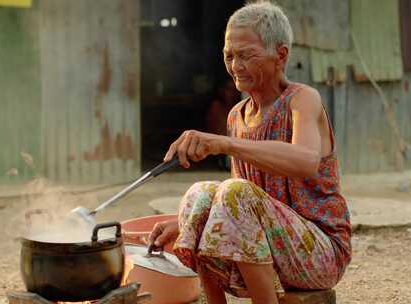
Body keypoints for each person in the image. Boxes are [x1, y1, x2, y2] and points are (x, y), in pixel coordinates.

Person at [148, 2, 351, 304]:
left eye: (246, 55)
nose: (235, 66)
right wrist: (188, 222)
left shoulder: (302, 100)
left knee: (232, 191)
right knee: (200, 192)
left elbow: (306, 161)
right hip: (271, 252)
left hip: (320, 256)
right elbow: (239, 208)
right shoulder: (236, 116)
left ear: (280, 55)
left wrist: (224, 144)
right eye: (229, 56)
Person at [205, 79, 240, 170]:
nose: (232, 93)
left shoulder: (241, 108)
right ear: (222, 91)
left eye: (235, 90)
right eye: (229, 89)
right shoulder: (216, 107)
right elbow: (219, 132)